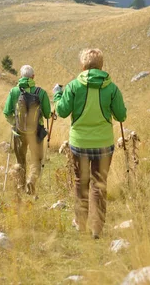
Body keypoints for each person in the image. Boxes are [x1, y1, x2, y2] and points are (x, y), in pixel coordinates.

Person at [53, 49, 127, 239]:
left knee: (80, 182)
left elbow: (61, 111)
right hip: (104, 144)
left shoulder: (73, 86)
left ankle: (81, 223)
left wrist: (57, 95)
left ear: (83, 66)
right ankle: (97, 228)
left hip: (80, 144)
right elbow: (121, 115)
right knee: (99, 184)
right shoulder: (111, 88)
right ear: (101, 66)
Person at [4, 65, 51, 195]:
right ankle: (31, 181)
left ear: (21, 77)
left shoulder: (14, 92)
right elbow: (47, 114)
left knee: (20, 160)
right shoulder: (41, 93)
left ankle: (20, 186)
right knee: (36, 159)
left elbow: (7, 112)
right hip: (36, 133)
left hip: (18, 132)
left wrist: (15, 123)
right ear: (33, 77)